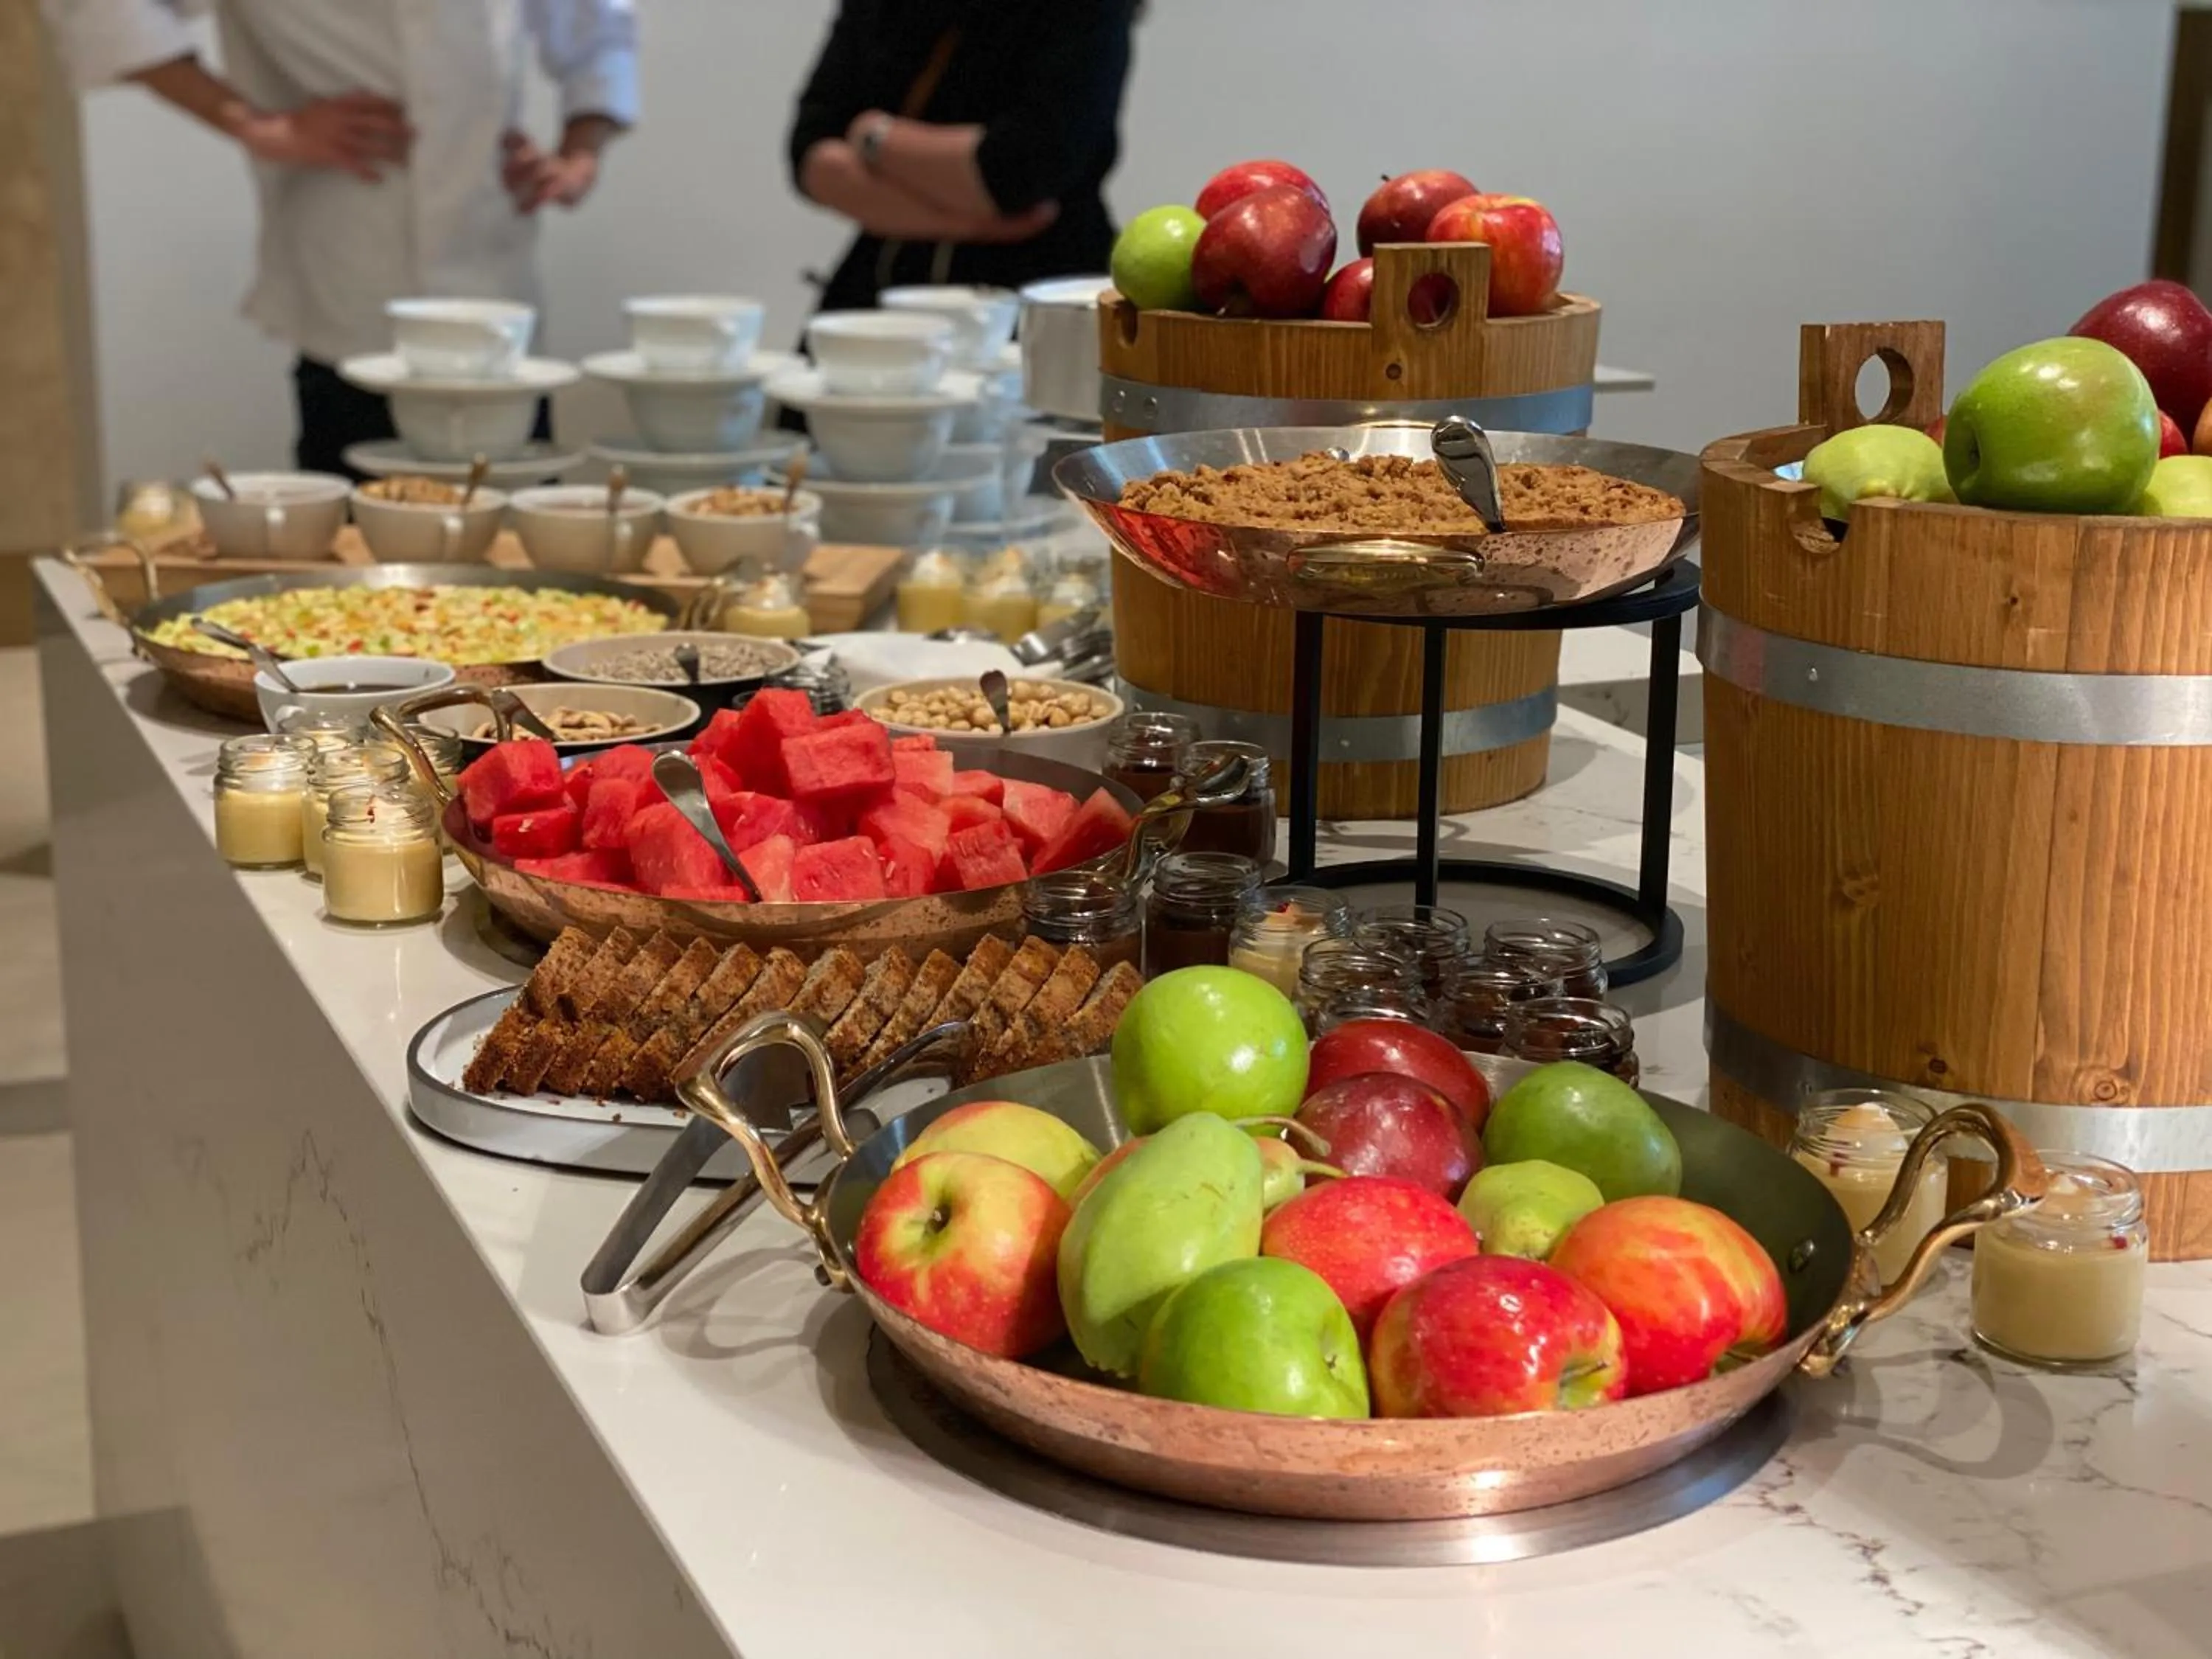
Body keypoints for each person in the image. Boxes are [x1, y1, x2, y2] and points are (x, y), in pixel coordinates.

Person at [44, 0, 637, 475]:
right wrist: (256, 124)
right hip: (349, 271)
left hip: (496, 277)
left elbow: (600, 24)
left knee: (526, 564)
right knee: (354, 566)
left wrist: (580, 150)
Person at [787, 0, 1138, 313]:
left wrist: (874, 136)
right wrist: (970, 223)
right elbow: (810, 156)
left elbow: (1016, 171)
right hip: (882, 287)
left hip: (1039, 297)